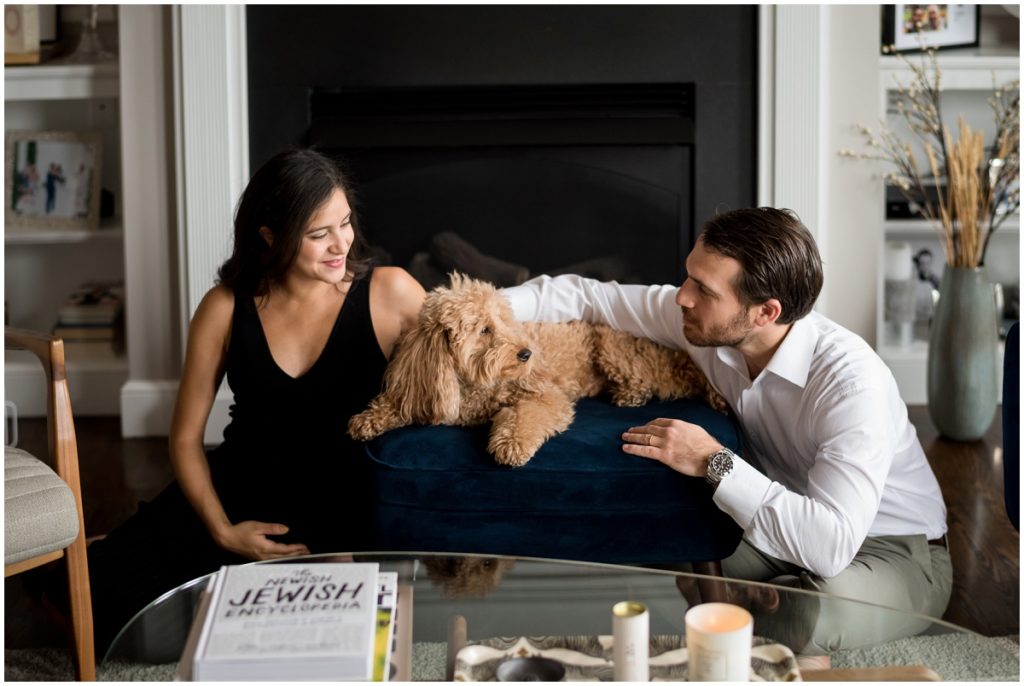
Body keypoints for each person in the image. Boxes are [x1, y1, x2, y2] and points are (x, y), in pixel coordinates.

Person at [501, 207, 952, 652]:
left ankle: (769, 605)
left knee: (815, 611)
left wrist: (712, 461)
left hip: (894, 546)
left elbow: (830, 546)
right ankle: (760, 604)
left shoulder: (852, 386)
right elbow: (587, 297)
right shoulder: (708, 327)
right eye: (688, 276)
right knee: (671, 541)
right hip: (784, 525)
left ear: (765, 312)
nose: (682, 296)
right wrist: (481, 314)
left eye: (703, 289)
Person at [81, 147, 425, 655]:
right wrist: (223, 531)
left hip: (345, 508)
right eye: (318, 234)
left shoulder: (390, 293)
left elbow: (472, 358)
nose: (340, 244)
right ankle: (105, 551)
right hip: (240, 498)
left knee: (313, 647)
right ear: (271, 237)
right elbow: (183, 438)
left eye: (345, 224)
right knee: (101, 609)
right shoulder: (224, 307)